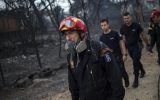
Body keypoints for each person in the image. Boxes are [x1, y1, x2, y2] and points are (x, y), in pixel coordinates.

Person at [59, 16, 125, 100]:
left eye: (71, 33)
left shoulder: (100, 49)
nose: (68, 38)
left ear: (82, 33)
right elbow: (73, 86)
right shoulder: (71, 56)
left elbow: (115, 78)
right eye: (66, 34)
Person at [120, 12, 150, 88]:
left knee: (135, 62)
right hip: (129, 47)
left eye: (128, 18)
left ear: (131, 18)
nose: (126, 20)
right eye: (125, 18)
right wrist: (124, 49)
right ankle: (142, 70)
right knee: (136, 60)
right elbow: (122, 39)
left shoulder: (136, 25)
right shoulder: (122, 27)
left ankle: (136, 79)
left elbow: (143, 35)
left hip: (137, 46)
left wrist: (147, 44)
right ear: (123, 19)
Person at [99, 18, 129, 87]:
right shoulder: (101, 38)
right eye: (102, 25)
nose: (103, 27)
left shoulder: (115, 33)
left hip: (118, 56)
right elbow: (102, 49)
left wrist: (124, 54)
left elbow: (121, 43)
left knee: (122, 71)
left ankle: (126, 79)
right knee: (114, 73)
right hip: (109, 58)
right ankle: (119, 86)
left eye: (105, 25)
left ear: (108, 25)